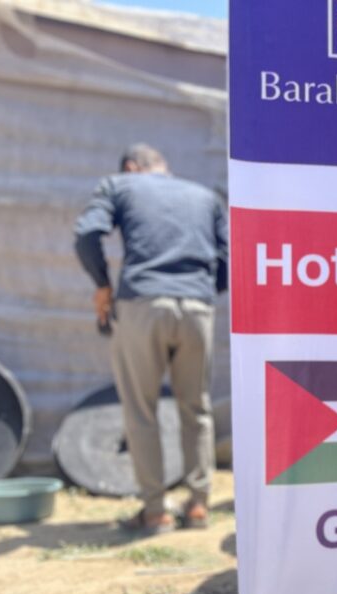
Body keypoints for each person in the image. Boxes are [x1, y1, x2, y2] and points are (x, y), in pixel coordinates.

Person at [74, 144, 228, 534]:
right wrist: (204, 290)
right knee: (197, 408)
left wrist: (102, 286)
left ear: (131, 166)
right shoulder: (205, 196)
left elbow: (87, 234)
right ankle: (198, 505)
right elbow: (229, 256)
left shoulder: (119, 184)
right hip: (197, 307)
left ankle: (156, 511)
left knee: (141, 410)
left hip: (142, 304)